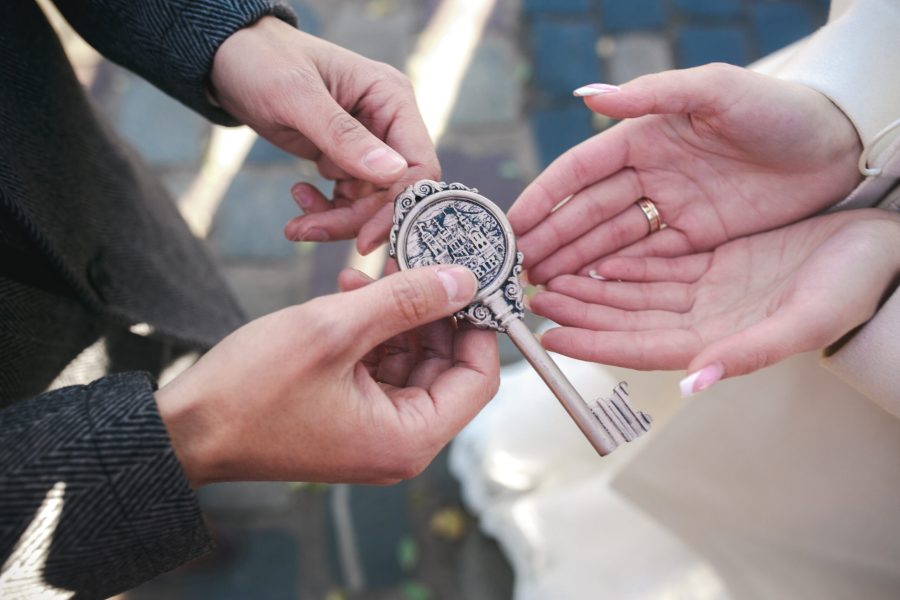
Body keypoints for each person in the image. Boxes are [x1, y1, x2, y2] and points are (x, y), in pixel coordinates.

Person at [0, 2, 498, 598]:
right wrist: (174, 448)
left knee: (187, 348)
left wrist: (223, 35)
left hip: (93, 209)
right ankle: (164, 522)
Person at [451, 0, 900, 598]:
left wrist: (886, 278)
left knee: (754, 491)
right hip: (848, 150)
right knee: (660, 386)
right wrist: (853, 110)